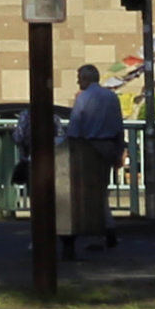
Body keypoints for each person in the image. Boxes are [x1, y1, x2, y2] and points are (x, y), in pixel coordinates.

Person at [61, 63, 125, 252]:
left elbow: (74, 128)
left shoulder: (84, 98)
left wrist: (69, 148)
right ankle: (108, 228)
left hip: (88, 147)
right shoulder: (112, 97)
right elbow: (119, 125)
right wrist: (119, 150)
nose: (78, 80)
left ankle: (98, 231)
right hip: (109, 145)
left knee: (88, 193)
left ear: (87, 79)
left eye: (79, 77)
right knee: (102, 190)